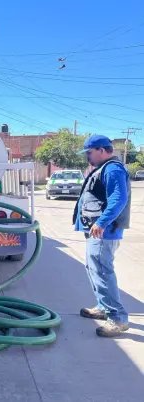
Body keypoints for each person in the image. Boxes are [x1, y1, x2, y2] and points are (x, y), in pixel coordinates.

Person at [73, 135, 131, 337]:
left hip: (104, 231)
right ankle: (103, 307)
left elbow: (118, 198)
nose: (87, 157)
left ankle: (117, 318)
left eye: (89, 152)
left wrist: (101, 222)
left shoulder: (113, 169)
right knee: (94, 269)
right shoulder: (103, 168)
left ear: (101, 150)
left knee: (103, 271)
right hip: (97, 230)